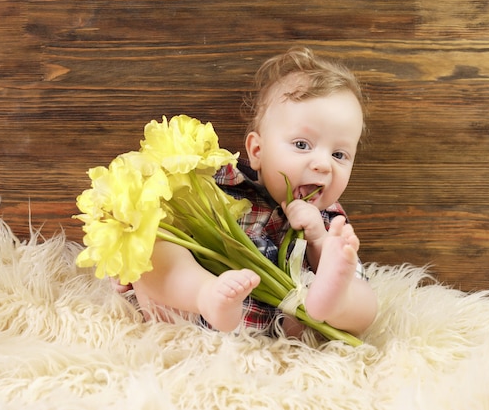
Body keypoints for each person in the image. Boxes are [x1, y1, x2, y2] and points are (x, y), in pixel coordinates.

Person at [122, 47, 378, 338]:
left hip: (286, 323)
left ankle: (332, 301)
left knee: (365, 303)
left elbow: (348, 272)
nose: (323, 165)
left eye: (340, 154)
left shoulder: (331, 224)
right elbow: (172, 235)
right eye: (302, 145)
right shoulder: (221, 186)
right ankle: (207, 294)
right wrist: (127, 269)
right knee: (155, 244)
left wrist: (318, 240)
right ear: (257, 150)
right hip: (200, 312)